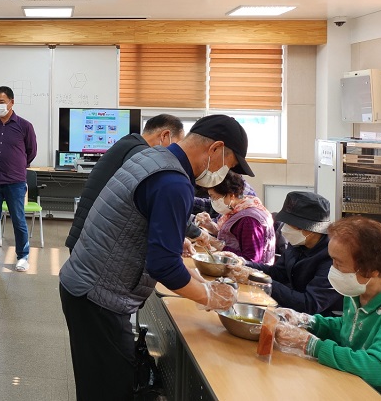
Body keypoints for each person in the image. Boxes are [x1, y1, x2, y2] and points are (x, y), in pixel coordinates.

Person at [59, 114, 252, 400]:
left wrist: (187, 262)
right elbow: (164, 266)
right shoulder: (173, 182)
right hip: (98, 297)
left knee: (97, 384)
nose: (223, 174)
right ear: (215, 149)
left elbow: (141, 221)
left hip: (84, 284)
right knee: (109, 390)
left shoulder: (151, 157)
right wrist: (209, 296)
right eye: (228, 165)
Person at [274, 216, 381, 395]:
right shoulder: (357, 292)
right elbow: (348, 327)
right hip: (346, 383)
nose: (332, 269)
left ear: (372, 270)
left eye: (338, 264)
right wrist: (308, 322)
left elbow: (377, 368)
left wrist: (313, 346)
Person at [65, 114, 185, 253]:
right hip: (94, 240)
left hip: (88, 233)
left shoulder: (128, 144)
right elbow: (157, 196)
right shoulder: (140, 153)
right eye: (177, 144)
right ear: (165, 136)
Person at [228, 191, 341, 316]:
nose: (284, 229)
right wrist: (243, 264)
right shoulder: (298, 243)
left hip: (315, 319)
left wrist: (263, 282)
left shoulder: (332, 257)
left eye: (291, 225)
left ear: (311, 229)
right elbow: (278, 272)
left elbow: (310, 304)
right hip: (288, 308)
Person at [0, 86, 37, 275]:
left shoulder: (25, 126)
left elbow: (31, 152)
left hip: (15, 182)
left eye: (2, 102)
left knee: (18, 220)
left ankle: (23, 257)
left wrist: (16, 166)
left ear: (12, 102)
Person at [193, 171, 276, 264]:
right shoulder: (237, 208)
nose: (212, 201)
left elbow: (251, 261)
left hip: (249, 271)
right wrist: (210, 226)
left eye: (214, 197)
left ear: (231, 195)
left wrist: (214, 242)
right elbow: (232, 237)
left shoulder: (249, 220)